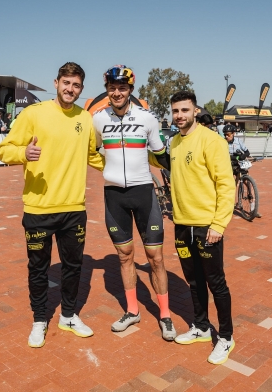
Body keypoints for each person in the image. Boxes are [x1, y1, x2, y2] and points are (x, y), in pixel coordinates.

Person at [0, 62, 105, 348]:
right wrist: (23, 152)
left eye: (76, 85)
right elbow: (4, 150)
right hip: (38, 209)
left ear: (81, 89)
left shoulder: (85, 119)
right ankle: (39, 319)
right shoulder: (33, 114)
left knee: (73, 266)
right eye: (66, 83)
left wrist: (125, 167)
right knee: (38, 268)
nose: (70, 89)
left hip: (73, 208)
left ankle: (68, 316)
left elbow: (93, 156)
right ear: (56, 82)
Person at [92, 65, 175, 340]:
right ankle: (132, 311)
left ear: (130, 90)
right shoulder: (97, 120)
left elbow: (162, 156)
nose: (117, 92)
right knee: (125, 256)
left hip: (143, 193)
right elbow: (90, 151)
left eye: (122, 88)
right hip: (114, 196)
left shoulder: (147, 118)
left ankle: (165, 315)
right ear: (107, 90)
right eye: (112, 88)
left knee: (156, 257)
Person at [169, 91, 236, 365]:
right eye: (175, 111)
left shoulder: (212, 141)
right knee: (193, 281)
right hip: (182, 226)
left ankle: (227, 337)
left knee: (215, 282)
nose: (179, 116)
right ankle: (199, 326)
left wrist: (219, 224)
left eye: (185, 110)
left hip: (207, 226)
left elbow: (226, 184)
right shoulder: (173, 142)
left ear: (195, 110)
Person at [223, 124, 261, 218]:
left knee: (247, 183)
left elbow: (247, 151)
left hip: (240, 163)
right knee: (232, 184)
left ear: (233, 134)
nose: (226, 137)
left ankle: (253, 208)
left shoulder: (238, 141)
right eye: (225, 135)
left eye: (228, 134)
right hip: (230, 165)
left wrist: (244, 155)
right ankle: (230, 205)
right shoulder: (223, 143)